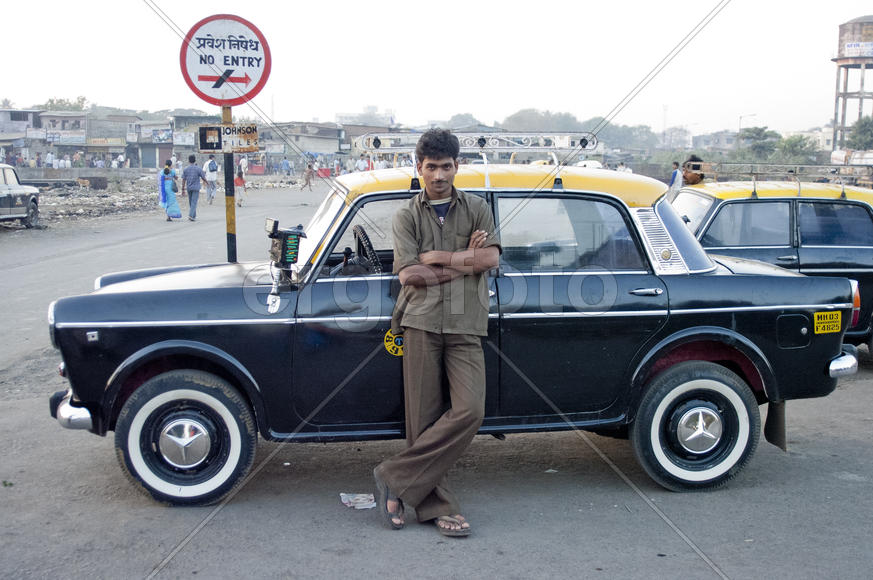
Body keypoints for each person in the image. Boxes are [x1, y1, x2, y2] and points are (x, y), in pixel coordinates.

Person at [373, 128, 501, 538]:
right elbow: (410, 273)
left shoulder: (478, 208)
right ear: (419, 167)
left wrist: (442, 258)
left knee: (471, 410)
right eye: (432, 167)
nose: (440, 175)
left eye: (447, 166)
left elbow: (493, 258)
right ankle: (436, 506)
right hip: (420, 322)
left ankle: (392, 477)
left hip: (467, 322)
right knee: (423, 419)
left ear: (456, 166)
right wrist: (468, 260)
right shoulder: (407, 215)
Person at [181, 154, 207, 221]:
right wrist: (207, 183)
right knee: (194, 202)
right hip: (196, 188)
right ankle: (191, 215)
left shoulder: (186, 169)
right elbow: (203, 177)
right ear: (195, 160)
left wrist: (183, 189)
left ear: (188, 161)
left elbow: (183, 179)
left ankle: (193, 216)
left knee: (191, 202)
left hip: (189, 187)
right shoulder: (198, 168)